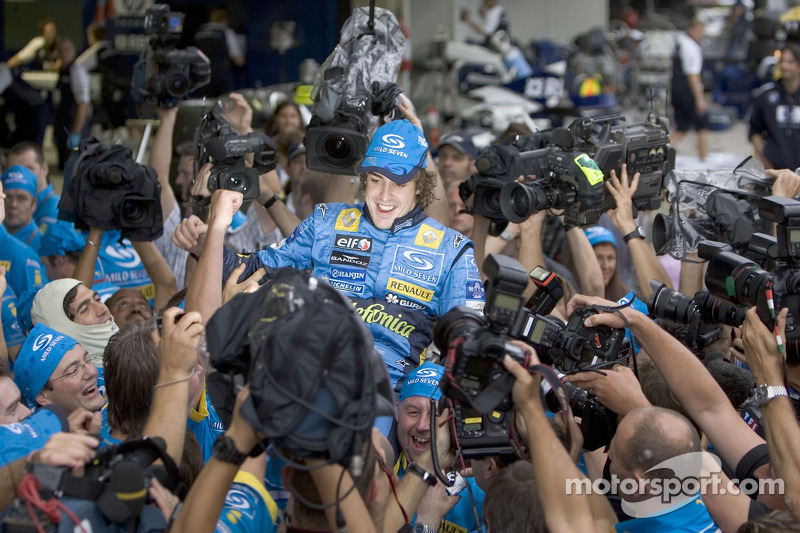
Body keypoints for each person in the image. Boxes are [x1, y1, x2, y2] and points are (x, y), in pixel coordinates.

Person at [210, 116, 483, 388]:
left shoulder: (453, 250)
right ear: (364, 178)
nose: (385, 195)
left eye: (399, 184)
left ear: (420, 185)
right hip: (311, 373)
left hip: (388, 392)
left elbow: (469, 340)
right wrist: (208, 235)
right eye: (376, 180)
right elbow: (253, 269)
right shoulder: (327, 222)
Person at [393, 362, 485, 533]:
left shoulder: (481, 487)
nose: (422, 425)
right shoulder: (381, 474)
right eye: (413, 412)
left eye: (435, 415)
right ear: (397, 412)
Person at [13, 323, 105, 414]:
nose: (92, 371)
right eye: (73, 371)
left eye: (88, 360)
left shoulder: (111, 381)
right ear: (43, 396)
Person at [30, 278, 119, 365]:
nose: (103, 309)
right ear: (63, 329)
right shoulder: (89, 378)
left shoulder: (128, 356)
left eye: (97, 299)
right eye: (85, 309)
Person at [747, 42, 800, 171]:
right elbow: (754, 131)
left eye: (790, 62)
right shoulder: (766, 95)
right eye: (782, 61)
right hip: (774, 171)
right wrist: (766, 162)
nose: (784, 66)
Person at [671, 18, 709, 161]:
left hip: (677, 90)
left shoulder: (680, 44)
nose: (701, 35)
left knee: (682, 127)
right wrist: (700, 99)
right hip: (688, 92)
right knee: (702, 126)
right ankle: (704, 160)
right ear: (690, 29)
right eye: (698, 31)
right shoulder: (691, 47)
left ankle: (662, 150)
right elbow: (692, 74)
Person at [52, 37, 91, 170]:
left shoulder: (78, 72)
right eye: (61, 50)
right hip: (62, 127)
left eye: (67, 49)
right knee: (61, 167)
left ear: (74, 51)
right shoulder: (62, 71)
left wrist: (76, 133)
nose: (64, 53)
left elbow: (83, 104)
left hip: (73, 127)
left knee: (74, 169)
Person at [5, 141, 59, 233]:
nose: (21, 175)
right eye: (14, 171)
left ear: (44, 169)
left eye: (28, 169)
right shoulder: (5, 203)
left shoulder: (57, 211)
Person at [1, 165, 42, 252]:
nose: (13, 204)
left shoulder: (43, 246)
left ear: (33, 204)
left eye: (21, 198)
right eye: (8, 197)